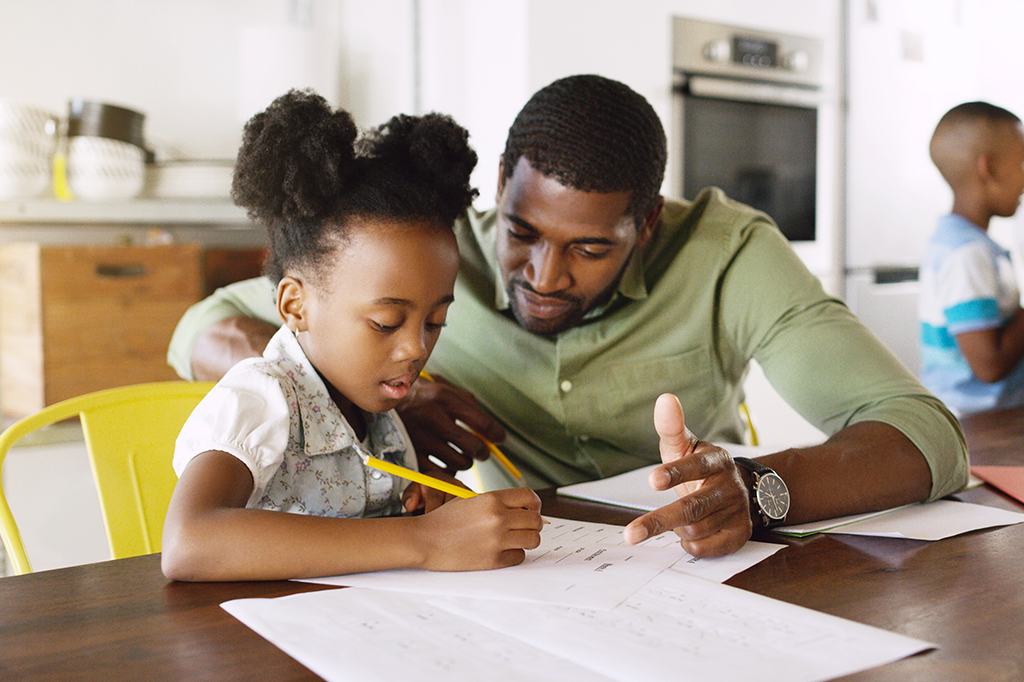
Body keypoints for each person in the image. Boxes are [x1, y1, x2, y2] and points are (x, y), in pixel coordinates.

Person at [168, 75, 969, 559]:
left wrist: (757, 490)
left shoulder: (726, 253)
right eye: (521, 233)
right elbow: (202, 327)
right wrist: (361, 388)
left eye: (589, 247)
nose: (543, 276)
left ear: (645, 224)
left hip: (688, 571)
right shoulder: (429, 258)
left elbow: (927, 434)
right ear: (499, 198)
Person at [161, 90, 543, 582]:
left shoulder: (378, 413)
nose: (415, 350)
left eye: (435, 322)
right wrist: (424, 542)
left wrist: (422, 513)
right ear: (295, 305)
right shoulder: (263, 396)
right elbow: (189, 543)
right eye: (386, 323)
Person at [919, 101, 1024, 414]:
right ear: (987, 168)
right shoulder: (966, 253)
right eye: (1022, 164)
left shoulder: (967, 244)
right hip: (976, 427)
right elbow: (989, 366)